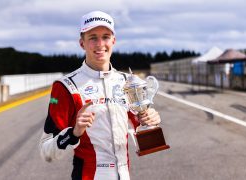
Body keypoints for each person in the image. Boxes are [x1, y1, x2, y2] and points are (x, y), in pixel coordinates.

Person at [39, 11, 161, 180]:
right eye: (93, 37)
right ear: (82, 43)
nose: (100, 44)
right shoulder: (66, 87)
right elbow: (46, 152)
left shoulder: (127, 82)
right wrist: (74, 133)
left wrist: (149, 120)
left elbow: (140, 129)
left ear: (113, 41)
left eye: (105, 36)